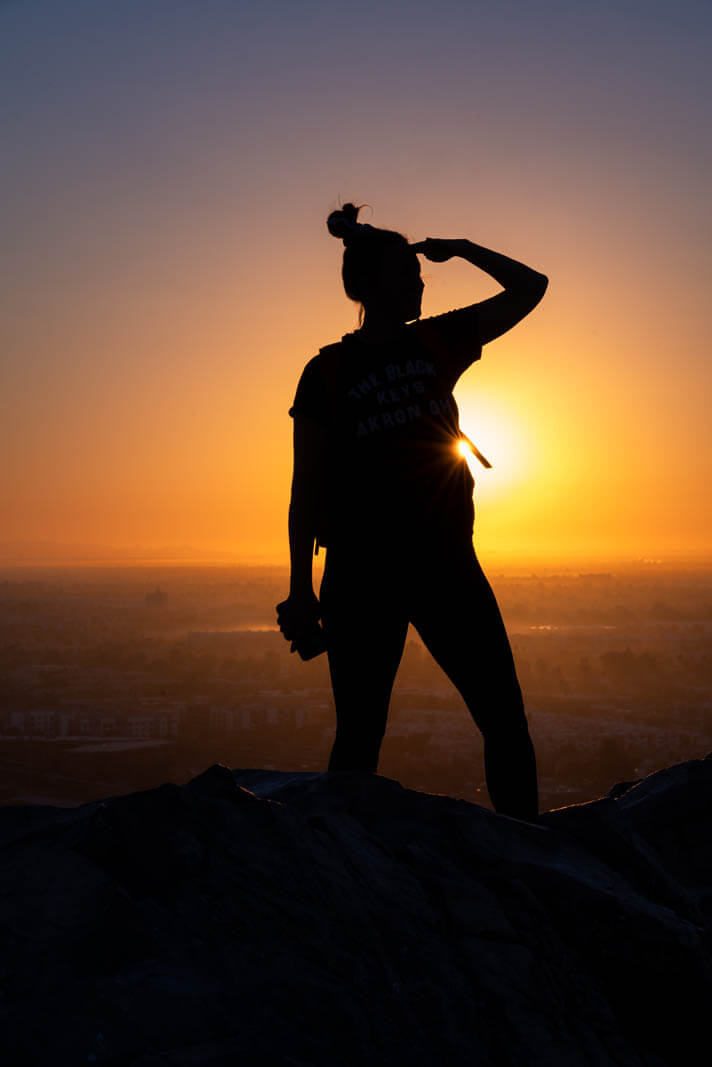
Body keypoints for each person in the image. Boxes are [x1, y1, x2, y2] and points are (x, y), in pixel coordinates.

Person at [277, 203, 547, 820]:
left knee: (504, 721)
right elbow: (306, 489)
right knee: (360, 736)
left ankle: (531, 858)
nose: (422, 281)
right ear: (368, 286)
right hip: (363, 574)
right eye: (408, 273)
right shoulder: (326, 372)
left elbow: (531, 288)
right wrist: (299, 591)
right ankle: (348, 877)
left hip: (446, 563)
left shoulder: (437, 340)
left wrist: (465, 244)